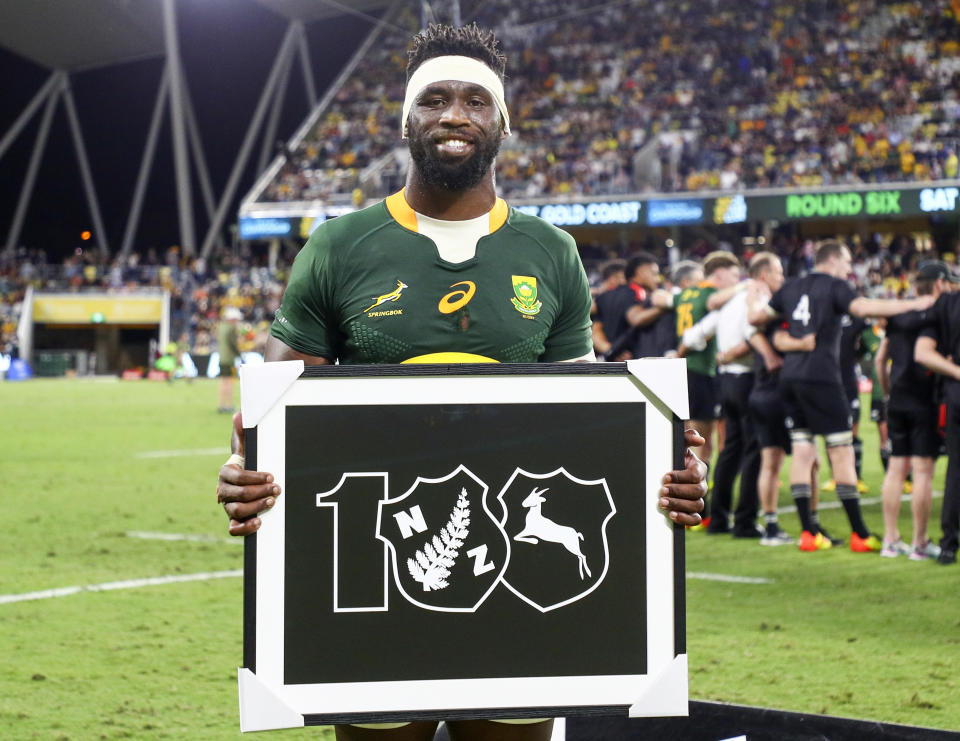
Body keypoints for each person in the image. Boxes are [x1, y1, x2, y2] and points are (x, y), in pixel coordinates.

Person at [216, 23, 707, 741]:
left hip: (520, 575)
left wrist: (665, 465)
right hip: (375, 568)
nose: (454, 115)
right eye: (435, 99)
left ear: (502, 120)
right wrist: (241, 465)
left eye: (476, 100)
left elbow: (580, 423)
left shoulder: (551, 252)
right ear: (406, 119)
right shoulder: (339, 245)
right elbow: (278, 410)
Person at [754, 240, 934, 553]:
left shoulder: (792, 287)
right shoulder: (835, 286)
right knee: (841, 452)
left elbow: (757, 318)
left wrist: (787, 337)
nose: (850, 269)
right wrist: (912, 304)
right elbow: (863, 307)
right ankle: (860, 534)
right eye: (847, 262)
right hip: (822, 378)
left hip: (790, 378)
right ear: (834, 260)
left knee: (802, 450)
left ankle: (809, 534)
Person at [876, 262, 953, 559]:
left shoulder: (899, 315)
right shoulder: (936, 315)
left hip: (897, 398)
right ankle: (919, 543)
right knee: (922, 471)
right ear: (938, 284)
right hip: (924, 399)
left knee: (896, 469)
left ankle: (890, 539)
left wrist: (887, 390)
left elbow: (882, 359)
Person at [674, 251, 742, 526]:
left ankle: (691, 504)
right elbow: (714, 302)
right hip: (702, 372)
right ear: (719, 274)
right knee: (704, 444)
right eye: (735, 275)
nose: (737, 281)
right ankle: (701, 509)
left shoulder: (684, 294)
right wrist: (746, 286)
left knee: (687, 439)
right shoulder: (711, 293)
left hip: (685, 370)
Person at [914, 264, 960, 565]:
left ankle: (948, 544)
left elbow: (923, 352)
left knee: (956, 470)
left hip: (955, 393)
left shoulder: (945, 303)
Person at [217, 306, 242, 412]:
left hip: (222, 357)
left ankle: (221, 404)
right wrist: (239, 354)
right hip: (229, 358)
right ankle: (228, 405)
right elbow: (233, 344)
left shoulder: (221, 326)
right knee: (229, 382)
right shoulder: (231, 328)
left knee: (223, 381)